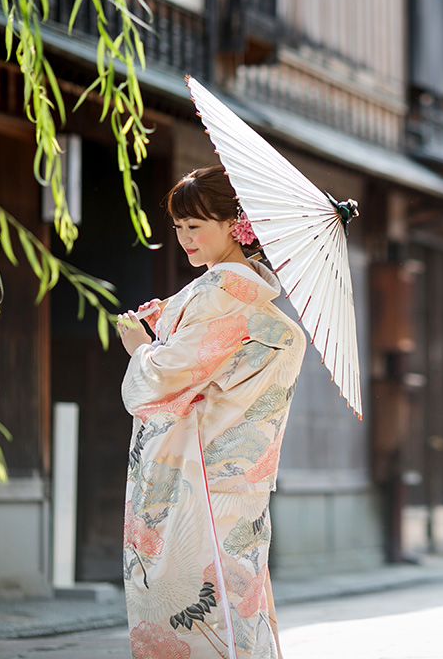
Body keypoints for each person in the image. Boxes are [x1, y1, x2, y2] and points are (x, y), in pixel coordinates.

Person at [117, 165, 305, 659]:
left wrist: (141, 346)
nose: (183, 240)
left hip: (196, 484)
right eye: (177, 228)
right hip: (243, 486)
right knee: (236, 608)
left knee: (194, 616)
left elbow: (158, 385)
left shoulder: (214, 294)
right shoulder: (266, 310)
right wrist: (174, 325)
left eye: (195, 226)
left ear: (234, 224)